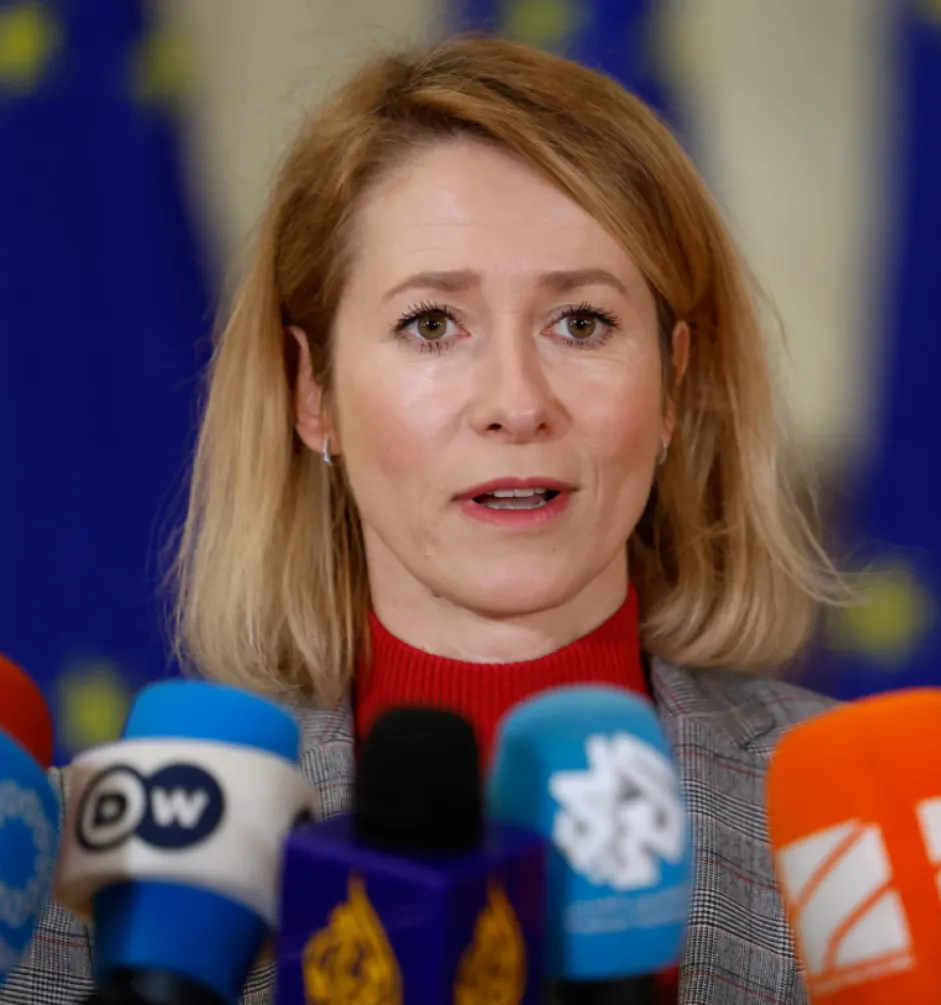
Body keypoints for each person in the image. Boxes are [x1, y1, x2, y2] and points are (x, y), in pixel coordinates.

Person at [4, 34, 843, 1005]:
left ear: (674, 386)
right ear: (311, 394)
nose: (517, 402)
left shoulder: (847, 836)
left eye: (582, 322)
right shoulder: (94, 883)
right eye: (433, 324)